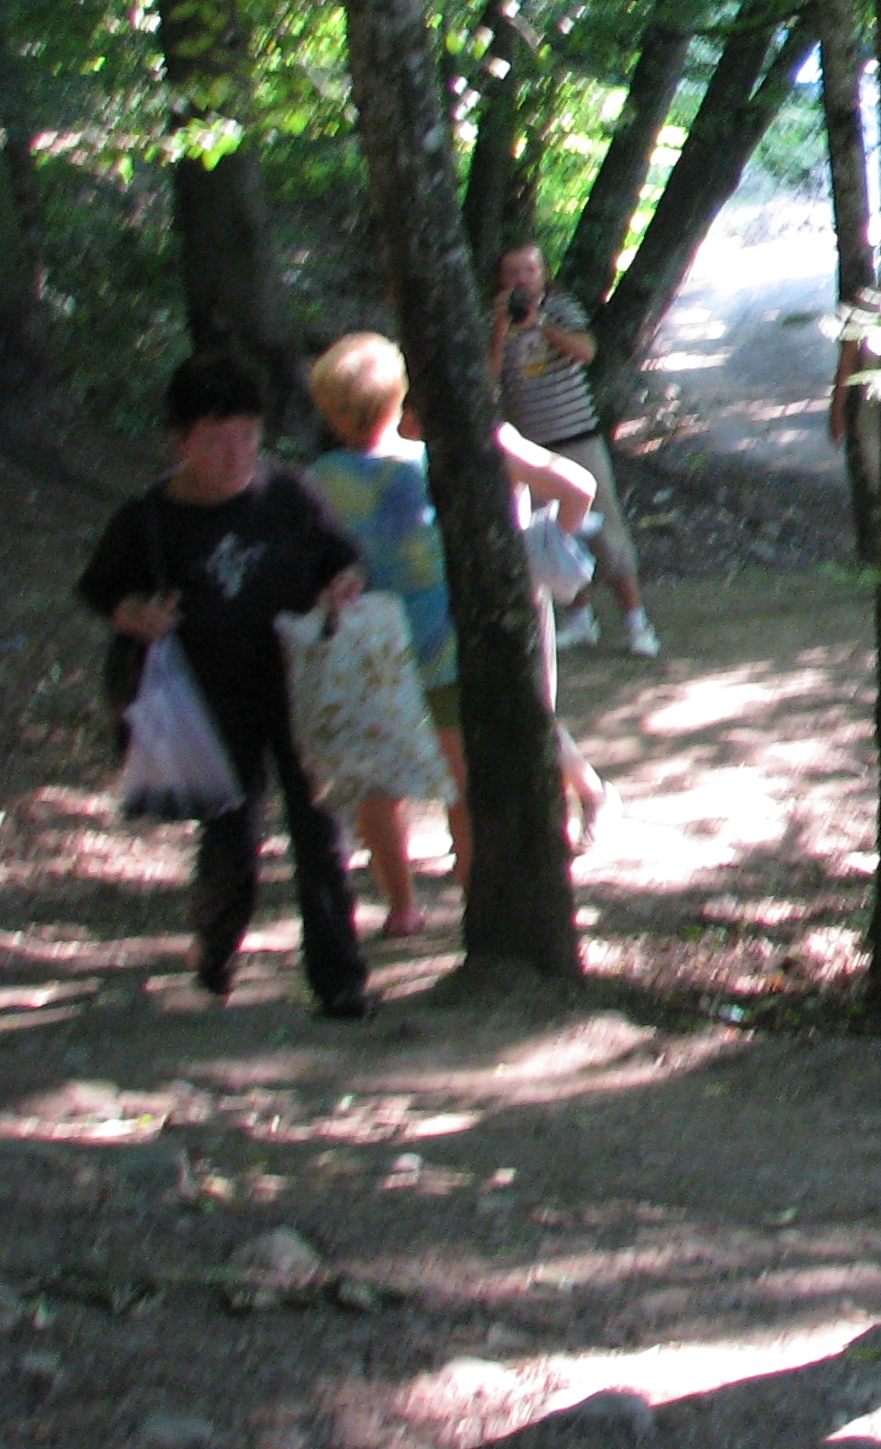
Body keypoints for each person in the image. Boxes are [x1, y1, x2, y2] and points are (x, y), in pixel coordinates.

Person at [77, 352, 371, 1017]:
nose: (236, 452)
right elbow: (101, 590)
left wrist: (344, 584)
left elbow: (342, 558)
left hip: (299, 689)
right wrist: (136, 615)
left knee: (320, 832)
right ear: (179, 441)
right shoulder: (149, 518)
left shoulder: (289, 494)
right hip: (207, 703)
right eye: (217, 439)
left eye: (247, 435)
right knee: (230, 835)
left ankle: (340, 979)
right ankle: (215, 951)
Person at [302, 334, 611, 931]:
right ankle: (476, 906)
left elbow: (308, 566)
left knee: (378, 787)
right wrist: (539, 549)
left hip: (371, 654)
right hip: (444, 646)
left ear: (329, 409)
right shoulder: (435, 462)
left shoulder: (318, 481)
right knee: (461, 787)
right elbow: (572, 488)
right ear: (398, 397)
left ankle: (402, 908)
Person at [490, 240, 661, 657]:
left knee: (605, 531)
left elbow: (587, 352)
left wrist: (540, 324)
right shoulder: (493, 320)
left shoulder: (561, 310)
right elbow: (487, 381)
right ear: (500, 279)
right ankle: (580, 618)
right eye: (512, 273)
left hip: (577, 438)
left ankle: (637, 622)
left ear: (543, 274)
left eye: (529, 271)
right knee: (550, 537)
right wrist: (500, 327)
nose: (521, 280)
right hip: (531, 449)